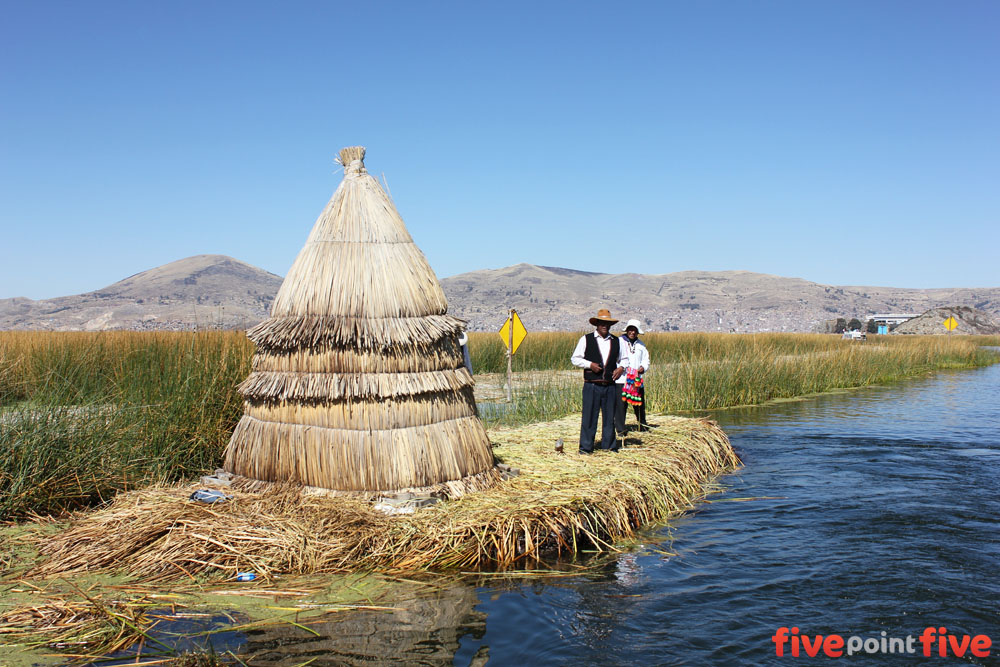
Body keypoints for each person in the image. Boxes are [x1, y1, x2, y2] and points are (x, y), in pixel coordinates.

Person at [571, 309, 625, 453]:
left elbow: (624, 359)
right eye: (602, 323)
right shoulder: (586, 339)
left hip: (610, 386)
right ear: (597, 324)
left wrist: (621, 369)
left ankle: (609, 446)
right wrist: (590, 365)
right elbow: (575, 358)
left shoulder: (616, 341)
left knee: (609, 417)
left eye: (607, 323)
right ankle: (586, 448)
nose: (605, 326)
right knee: (589, 417)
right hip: (591, 385)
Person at [615, 319, 651, 433]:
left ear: (638, 332)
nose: (632, 332)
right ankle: (620, 429)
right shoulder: (619, 341)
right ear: (627, 330)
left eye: (635, 330)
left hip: (636, 379)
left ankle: (643, 426)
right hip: (622, 379)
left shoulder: (641, 345)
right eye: (630, 330)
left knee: (639, 404)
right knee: (621, 405)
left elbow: (646, 360)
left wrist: (643, 367)